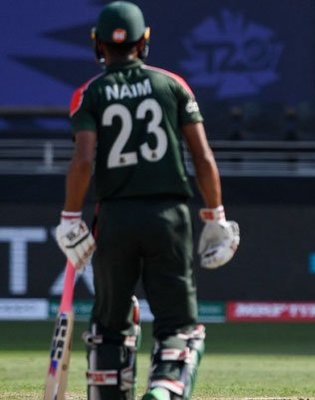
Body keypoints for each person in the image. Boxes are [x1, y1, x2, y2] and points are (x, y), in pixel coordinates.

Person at [54, 2, 240, 399]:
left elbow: (83, 160)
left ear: (98, 44)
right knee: (178, 324)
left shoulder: (89, 93)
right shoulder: (172, 85)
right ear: (144, 41)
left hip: (115, 216)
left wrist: (70, 217)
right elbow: (203, 158)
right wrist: (215, 215)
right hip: (168, 217)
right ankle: (163, 388)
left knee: (109, 324)